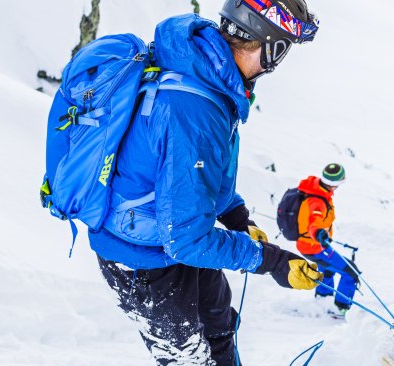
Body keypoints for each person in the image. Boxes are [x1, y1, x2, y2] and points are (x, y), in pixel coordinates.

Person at [87, 1, 322, 365]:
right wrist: (272, 261)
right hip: (144, 257)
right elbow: (188, 239)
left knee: (219, 326)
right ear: (271, 46)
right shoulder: (194, 108)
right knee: (191, 359)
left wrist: (237, 218)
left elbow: (192, 179)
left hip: (169, 234)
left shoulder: (207, 76)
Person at [295, 163, 361, 319]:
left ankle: (323, 299)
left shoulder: (317, 190)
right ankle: (341, 308)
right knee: (351, 273)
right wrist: (319, 234)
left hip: (312, 245)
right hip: (314, 246)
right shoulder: (317, 200)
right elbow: (314, 222)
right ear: (335, 184)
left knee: (328, 268)